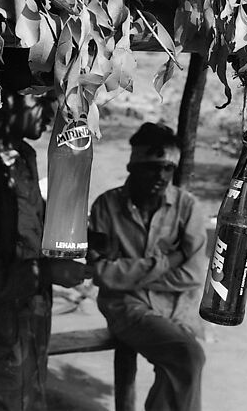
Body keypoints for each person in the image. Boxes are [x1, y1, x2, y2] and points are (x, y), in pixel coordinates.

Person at [0, 55, 88, 411]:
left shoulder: (23, 157)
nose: (50, 105)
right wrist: (43, 272)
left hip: (27, 334)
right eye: (38, 95)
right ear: (2, 101)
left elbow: (31, 233)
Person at [87, 122, 207, 411]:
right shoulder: (105, 207)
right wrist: (169, 261)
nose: (161, 176)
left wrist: (128, 273)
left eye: (168, 168)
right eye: (152, 167)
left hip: (177, 307)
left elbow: (192, 275)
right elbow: (102, 274)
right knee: (187, 356)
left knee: (181, 364)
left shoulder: (187, 207)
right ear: (133, 166)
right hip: (127, 308)